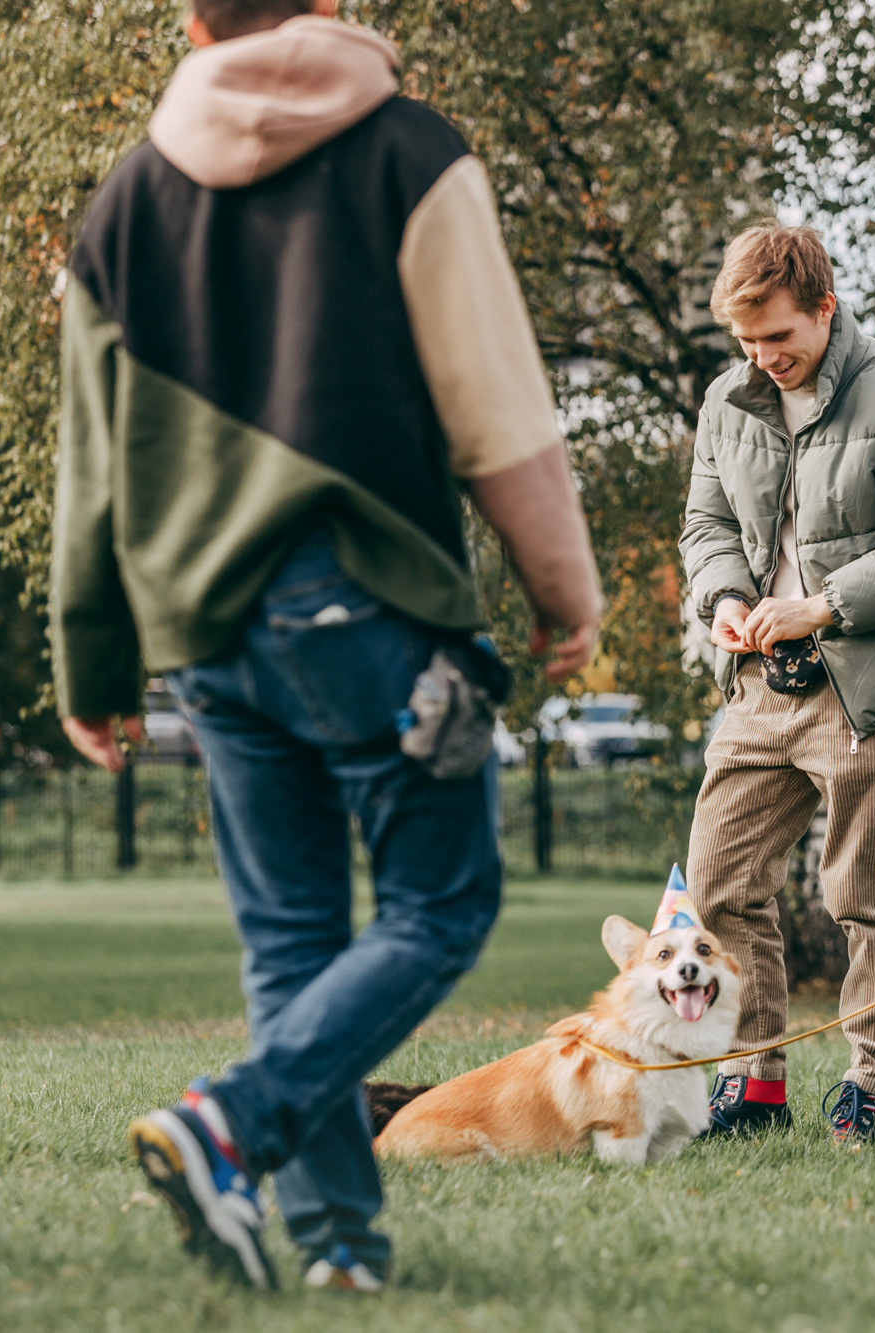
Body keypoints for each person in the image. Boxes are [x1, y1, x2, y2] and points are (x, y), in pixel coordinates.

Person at [49, 0, 601, 1290]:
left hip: (206, 632)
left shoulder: (121, 206)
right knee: (443, 901)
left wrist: (93, 663)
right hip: (364, 601)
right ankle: (226, 1124)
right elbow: (495, 402)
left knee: (292, 941)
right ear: (329, 5)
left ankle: (341, 1249)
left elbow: (88, 467)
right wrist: (562, 585)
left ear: (190, 21)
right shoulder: (411, 155)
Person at [678, 222, 875, 1143]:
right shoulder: (728, 402)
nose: (765, 358)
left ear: (825, 308)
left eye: (781, 338)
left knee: (862, 895)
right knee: (720, 883)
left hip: (867, 686)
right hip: (757, 684)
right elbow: (705, 525)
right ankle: (753, 1079)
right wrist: (725, 597)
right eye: (747, 341)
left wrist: (823, 605)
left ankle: (871, 1086)